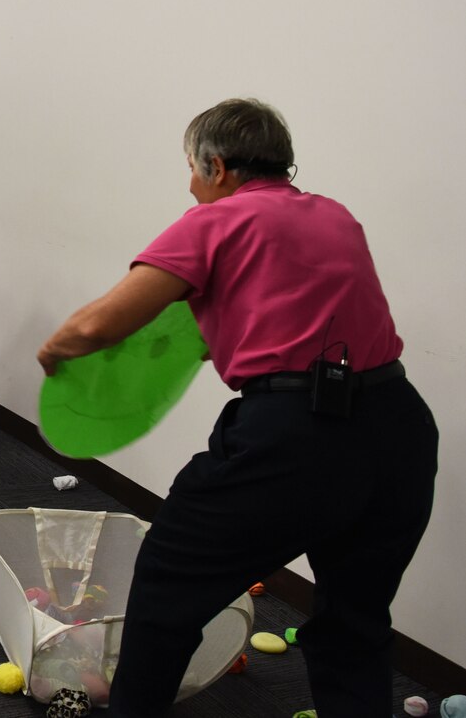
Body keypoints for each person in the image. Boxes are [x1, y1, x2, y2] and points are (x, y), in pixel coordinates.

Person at [37, 99, 438, 718]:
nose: (190, 185)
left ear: (217, 167)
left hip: (295, 437)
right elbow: (280, 316)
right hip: (399, 431)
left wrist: (56, 350)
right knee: (354, 619)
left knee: (169, 581)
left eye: (193, 170)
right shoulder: (334, 217)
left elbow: (97, 326)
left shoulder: (213, 221)